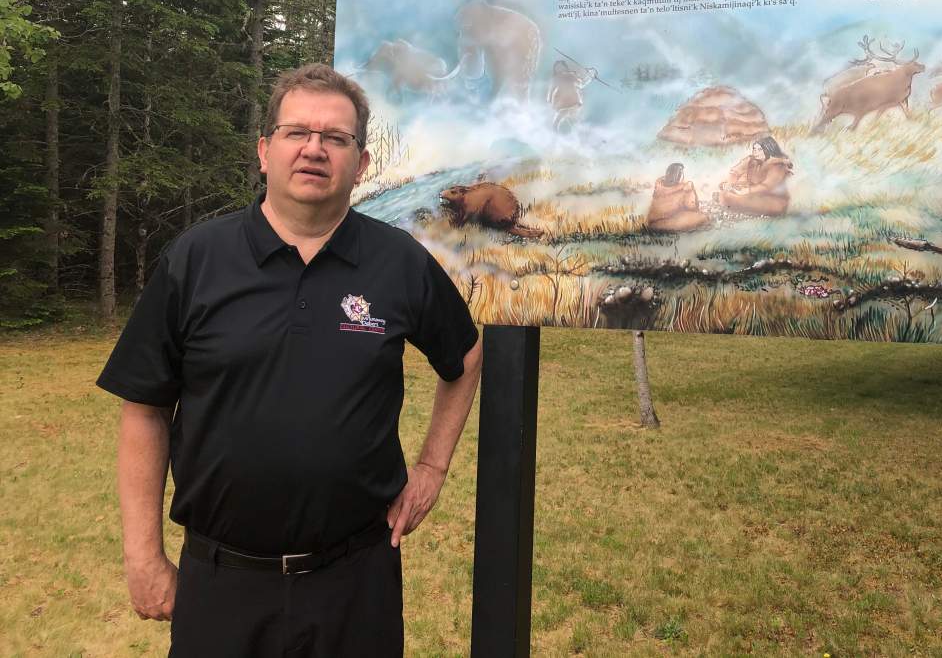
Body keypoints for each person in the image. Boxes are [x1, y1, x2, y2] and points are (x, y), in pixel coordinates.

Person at [96, 64, 482, 657]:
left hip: (356, 579)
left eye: (336, 138)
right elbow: (144, 408)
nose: (314, 149)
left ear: (362, 164)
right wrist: (143, 556)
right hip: (222, 581)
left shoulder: (397, 261)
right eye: (297, 131)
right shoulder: (197, 259)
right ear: (264, 150)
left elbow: (465, 354)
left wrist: (431, 468)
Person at [716, 135, 793, 217]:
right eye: (754, 149)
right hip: (754, 195)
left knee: (727, 197)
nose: (755, 152)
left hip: (773, 201)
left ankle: (731, 202)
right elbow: (734, 172)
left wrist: (745, 191)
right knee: (725, 194)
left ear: (768, 150)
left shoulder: (777, 165)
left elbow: (767, 186)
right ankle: (729, 200)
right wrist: (729, 184)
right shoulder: (751, 160)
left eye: (759, 150)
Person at [646, 163, 709, 233]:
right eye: (682, 173)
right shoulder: (683, 188)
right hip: (664, 223)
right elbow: (692, 207)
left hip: (652, 223)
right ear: (679, 175)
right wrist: (691, 190)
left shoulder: (659, 187)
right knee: (702, 217)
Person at [546, 59, 597, 131]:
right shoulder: (557, 78)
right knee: (559, 118)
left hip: (573, 102)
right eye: (558, 68)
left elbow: (582, 84)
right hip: (562, 102)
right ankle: (556, 132)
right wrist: (549, 99)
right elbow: (551, 88)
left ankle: (578, 131)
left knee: (565, 116)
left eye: (561, 68)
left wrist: (591, 76)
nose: (560, 70)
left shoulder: (572, 76)